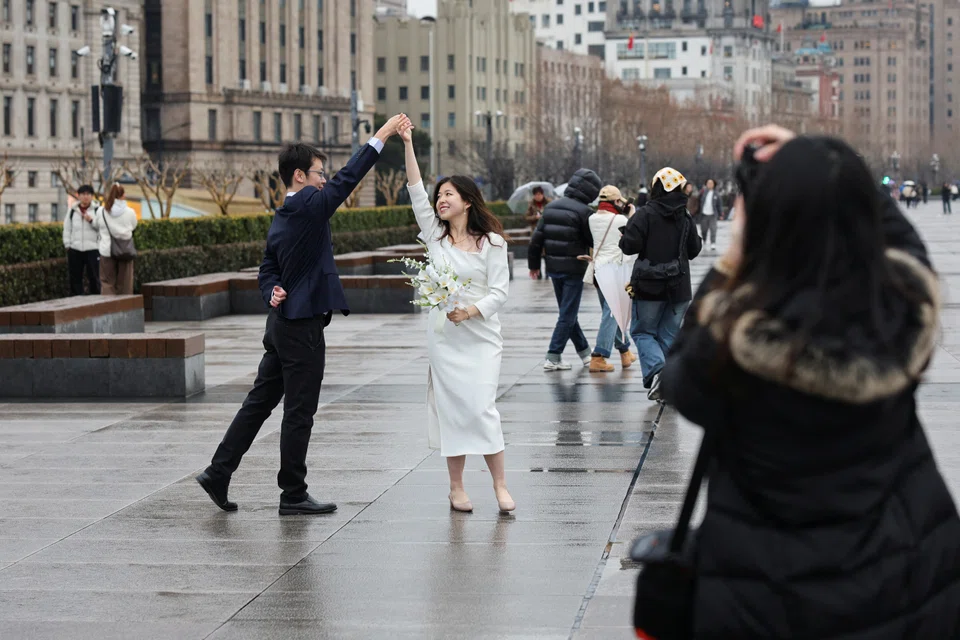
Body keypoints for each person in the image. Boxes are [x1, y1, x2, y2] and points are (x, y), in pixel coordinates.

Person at [659, 125, 960, 638]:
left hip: (762, 594)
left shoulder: (732, 344)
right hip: (900, 577)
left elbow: (679, 377)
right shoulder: (898, 313)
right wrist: (829, 166)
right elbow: (907, 249)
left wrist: (735, 255)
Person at [196, 114, 407, 516]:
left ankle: (218, 472)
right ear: (299, 177)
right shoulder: (310, 203)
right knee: (299, 411)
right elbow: (348, 180)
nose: (324, 179)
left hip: (280, 326)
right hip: (301, 326)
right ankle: (292, 493)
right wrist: (379, 137)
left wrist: (270, 290)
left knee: (258, 404)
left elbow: (266, 267)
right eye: (318, 173)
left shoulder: (283, 214)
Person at [399, 119, 515, 514]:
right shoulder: (435, 237)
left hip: (481, 336)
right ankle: (456, 488)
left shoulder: (492, 243)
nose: (440, 200)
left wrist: (470, 311)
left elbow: (500, 291)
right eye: (439, 196)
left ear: (467, 200)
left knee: (482, 406)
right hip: (445, 338)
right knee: (451, 410)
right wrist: (408, 142)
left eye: (448, 194)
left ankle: (500, 486)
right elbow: (415, 188)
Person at [619, 167, 702, 400]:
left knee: (642, 331)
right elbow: (694, 251)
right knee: (669, 334)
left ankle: (659, 371)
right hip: (680, 288)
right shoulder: (685, 216)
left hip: (649, 286)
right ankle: (670, 386)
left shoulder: (645, 214)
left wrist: (626, 230)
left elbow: (629, 246)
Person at [528, 168, 602, 371]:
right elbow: (591, 240)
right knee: (568, 315)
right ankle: (553, 355)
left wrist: (534, 265)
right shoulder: (584, 212)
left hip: (553, 268)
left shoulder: (550, 208)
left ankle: (585, 354)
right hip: (574, 268)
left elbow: (536, 240)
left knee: (566, 313)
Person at [586, 185, 637, 372]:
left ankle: (625, 351)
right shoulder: (621, 219)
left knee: (611, 312)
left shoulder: (591, 219)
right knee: (612, 313)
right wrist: (631, 213)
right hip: (614, 270)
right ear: (616, 201)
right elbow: (633, 234)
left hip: (598, 270)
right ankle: (598, 356)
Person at [92, 184, 137, 295]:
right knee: (125, 284)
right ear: (122, 195)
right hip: (125, 251)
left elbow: (96, 224)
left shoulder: (101, 211)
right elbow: (133, 226)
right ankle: (125, 309)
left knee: (107, 283)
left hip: (106, 251)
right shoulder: (130, 212)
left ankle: (109, 310)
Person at [62, 184, 101, 295]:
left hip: (93, 249)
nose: (86, 197)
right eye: (83, 194)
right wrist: (67, 245)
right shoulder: (72, 211)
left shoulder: (97, 210)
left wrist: (91, 221)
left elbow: (101, 227)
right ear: (78, 196)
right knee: (75, 279)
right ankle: (76, 302)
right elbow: (67, 228)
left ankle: (96, 302)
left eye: (88, 194)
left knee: (94, 278)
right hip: (75, 249)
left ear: (92, 196)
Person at [698, 178, 721, 250]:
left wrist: (721, 214)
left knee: (713, 229)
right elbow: (698, 202)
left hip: (713, 215)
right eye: (708, 183)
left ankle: (713, 243)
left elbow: (719, 205)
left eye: (711, 183)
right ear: (706, 184)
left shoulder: (716, 194)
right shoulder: (703, 192)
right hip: (704, 214)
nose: (710, 184)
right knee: (703, 230)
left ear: (714, 184)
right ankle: (704, 240)